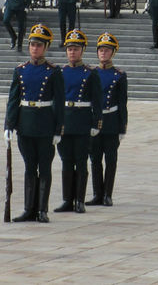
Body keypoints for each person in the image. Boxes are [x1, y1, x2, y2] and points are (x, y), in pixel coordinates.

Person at [4, 23, 65, 223]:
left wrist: (58, 129)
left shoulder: (54, 72)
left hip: (45, 124)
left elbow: (59, 102)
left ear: (46, 47)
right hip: (26, 124)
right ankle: (29, 208)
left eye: (39, 45)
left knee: (44, 168)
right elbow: (13, 100)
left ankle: (42, 209)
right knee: (30, 167)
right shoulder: (20, 70)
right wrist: (9, 126)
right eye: (32, 45)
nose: (35, 48)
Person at [54, 30, 102, 214]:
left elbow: (97, 101)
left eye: (76, 49)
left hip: (82, 121)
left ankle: (79, 200)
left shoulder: (90, 73)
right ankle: (67, 199)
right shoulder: (61, 72)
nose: (72, 52)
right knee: (66, 161)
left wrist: (96, 123)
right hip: (65, 120)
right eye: (69, 49)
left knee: (81, 162)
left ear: (82, 51)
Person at [87, 32, 128, 207]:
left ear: (113, 53)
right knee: (95, 159)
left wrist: (122, 127)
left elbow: (122, 102)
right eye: (101, 50)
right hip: (95, 120)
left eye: (107, 50)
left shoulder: (118, 75)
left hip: (111, 121)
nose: (103, 53)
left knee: (110, 159)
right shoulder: (91, 73)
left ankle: (107, 194)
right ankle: (97, 193)